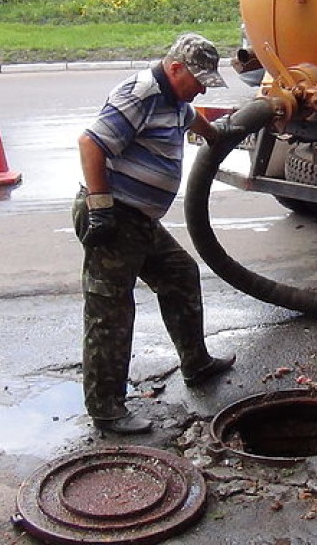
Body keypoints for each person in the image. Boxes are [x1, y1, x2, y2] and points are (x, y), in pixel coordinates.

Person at [72, 33, 239, 434]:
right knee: (110, 311)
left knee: (180, 273)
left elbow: (192, 120)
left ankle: (196, 364)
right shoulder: (142, 93)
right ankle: (107, 410)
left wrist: (217, 134)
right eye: (197, 80)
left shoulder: (174, 100)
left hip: (141, 221)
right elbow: (90, 142)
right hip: (113, 217)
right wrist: (100, 207)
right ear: (175, 68)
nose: (200, 88)